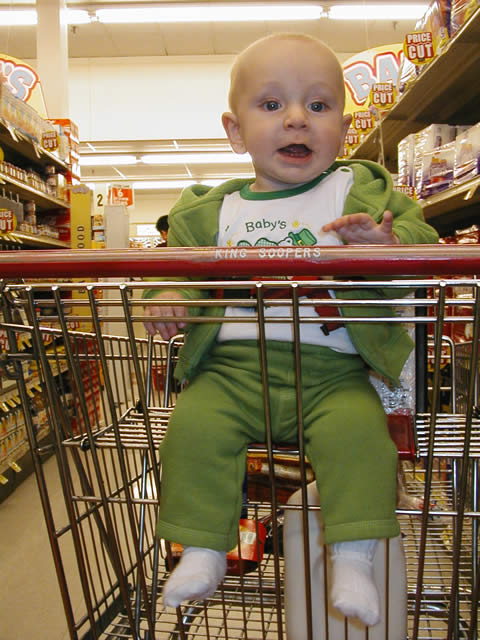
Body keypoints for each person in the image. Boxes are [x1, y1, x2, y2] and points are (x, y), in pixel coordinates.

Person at [143, 32, 438, 626]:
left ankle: (352, 558)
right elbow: (174, 270)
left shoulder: (357, 192)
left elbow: (421, 241)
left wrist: (386, 243)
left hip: (334, 373)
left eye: (319, 106)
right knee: (191, 432)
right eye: (272, 105)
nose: (297, 119)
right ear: (235, 131)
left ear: (344, 129)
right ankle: (204, 548)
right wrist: (168, 296)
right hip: (229, 372)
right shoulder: (212, 212)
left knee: (363, 442)